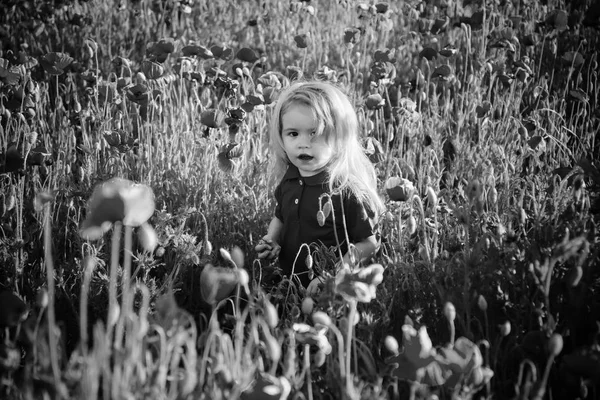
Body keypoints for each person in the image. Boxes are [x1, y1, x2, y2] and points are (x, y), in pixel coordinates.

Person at [255, 80, 385, 289]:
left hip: (329, 289)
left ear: (340, 137)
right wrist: (272, 239)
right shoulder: (290, 179)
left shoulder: (346, 191)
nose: (303, 143)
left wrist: (335, 275)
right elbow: (280, 217)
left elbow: (368, 244)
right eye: (293, 133)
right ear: (281, 136)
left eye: (315, 133)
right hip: (288, 283)